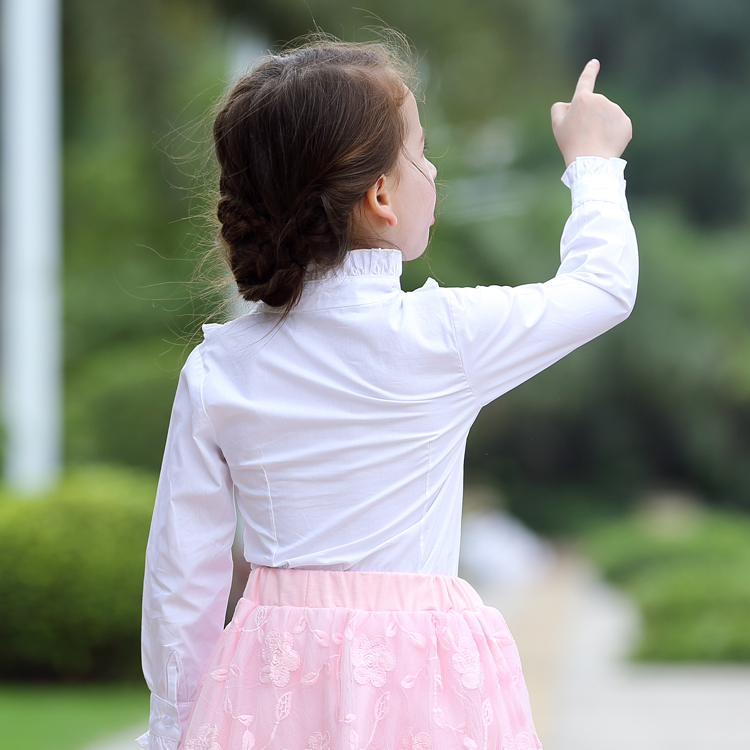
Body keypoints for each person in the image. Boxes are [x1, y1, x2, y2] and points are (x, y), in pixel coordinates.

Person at [139, 38, 636, 750]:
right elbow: (600, 288)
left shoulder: (222, 368)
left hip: (271, 684)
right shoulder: (444, 338)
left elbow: (182, 580)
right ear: (378, 195)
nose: (432, 171)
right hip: (424, 681)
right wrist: (593, 164)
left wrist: (173, 731)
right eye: (422, 153)